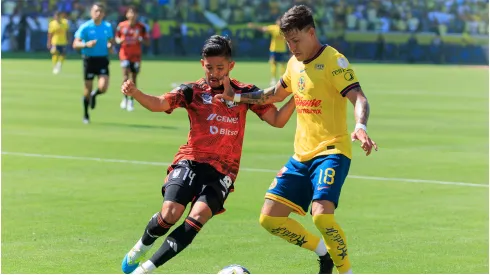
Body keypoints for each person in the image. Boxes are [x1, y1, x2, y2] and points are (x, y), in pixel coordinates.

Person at [217, 5, 378, 274]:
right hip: (301, 156)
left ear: (311, 32)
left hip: (332, 150)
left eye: (296, 40)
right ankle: (323, 252)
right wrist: (235, 97)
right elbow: (273, 95)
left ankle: (346, 272)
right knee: (269, 218)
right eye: (287, 41)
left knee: (322, 215)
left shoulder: (334, 61)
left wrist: (360, 125)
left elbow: (359, 97)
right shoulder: (293, 64)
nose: (291, 47)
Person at [119, 35, 300, 274]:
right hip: (191, 161)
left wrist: (298, 96)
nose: (214, 73)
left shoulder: (245, 93)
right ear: (202, 64)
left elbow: (277, 120)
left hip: (224, 171)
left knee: (198, 217)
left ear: (231, 66)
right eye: (209, 67)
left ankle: (144, 270)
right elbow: (160, 103)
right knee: (169, 214)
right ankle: (141, 247)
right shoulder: (191, 91)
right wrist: (136, 93)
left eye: (220, 68)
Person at [72, 2, 114, 124]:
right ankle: (86, 114)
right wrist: (86, 44)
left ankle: (95, 95)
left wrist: (110, 46)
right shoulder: (85, 27)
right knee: (87, 89)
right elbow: (75, 44)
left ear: (104, 14)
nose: (98, 13)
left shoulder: (107, 27)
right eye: (96, 11)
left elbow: (110, 41)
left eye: (100, 12)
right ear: (91, 12)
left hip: (102, 59)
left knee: (103, 87)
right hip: (89, 60)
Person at [115, 5, 150, 112]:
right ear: (127, 14)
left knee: (133, 78)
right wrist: (118, 40)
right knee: (125, 76)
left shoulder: (141, 27)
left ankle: (131, 100)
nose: (132, 15)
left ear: (137, 15)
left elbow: (147, 42)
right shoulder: (121, 26)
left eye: (134, 13)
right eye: (130, 12)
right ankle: (124, 98)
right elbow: (116, 37)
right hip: (124, 54)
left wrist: (141, 40)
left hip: (136, 56)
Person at [248, 17, 288, 85]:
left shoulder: (286, 29)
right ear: (276, 21)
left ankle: (282, 79)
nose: (280, 22)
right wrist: (254, 26)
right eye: (279, 21)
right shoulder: (273, 28)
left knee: (283, 64)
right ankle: (273, 79)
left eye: (281, 21)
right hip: (274, 49)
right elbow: (263, 29)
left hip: (282, 49)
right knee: (273, 63)